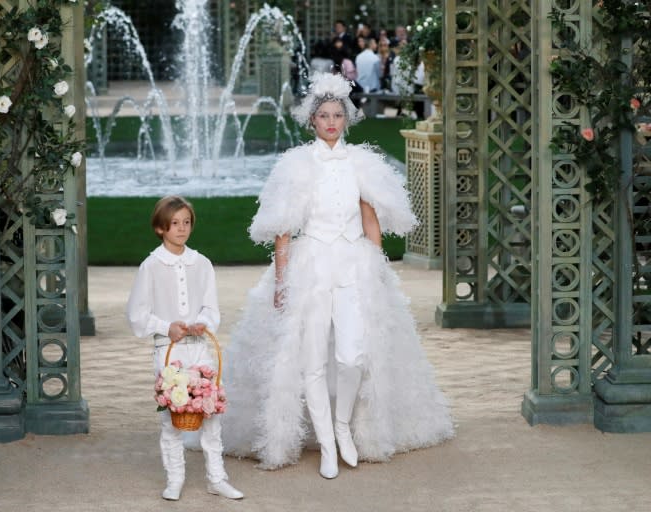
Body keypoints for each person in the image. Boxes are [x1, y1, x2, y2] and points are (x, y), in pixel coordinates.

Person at [221, 73, 454, 478]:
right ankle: (327, 443)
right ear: (312, 120)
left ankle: (343, 424)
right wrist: (281, 282)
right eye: (324, 115)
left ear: (346, 119)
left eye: (337, 115)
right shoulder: (295, 165)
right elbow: (283, 229)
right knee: (310, 359)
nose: (331, 122)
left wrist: (378, 271)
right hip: (309, 265)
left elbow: (371, 222)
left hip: (353, 263)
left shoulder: (361, 163)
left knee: (353, 355)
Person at [126, 196, 244, 502]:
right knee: (172, 416)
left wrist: (202, 322)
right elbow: (138, 315)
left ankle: (216, 477)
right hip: (169, 351)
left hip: (201, 349)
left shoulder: (201, 263)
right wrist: (168, 327)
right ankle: (175, 477)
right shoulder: (151, 266)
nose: (181, 229)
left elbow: (211, 308)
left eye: (186, 222)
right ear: (160, 228)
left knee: (211, 412)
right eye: (174, 223)